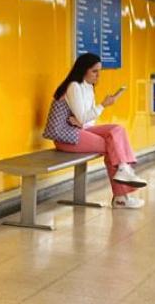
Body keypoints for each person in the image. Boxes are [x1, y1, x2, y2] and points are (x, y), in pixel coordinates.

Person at [44, 53, 149, 208]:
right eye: (94, 71)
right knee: (111, 145)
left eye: (100, 71)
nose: (98, 75)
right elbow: (84, 116)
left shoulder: (88, 87)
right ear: (83, 70)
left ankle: (124, 169)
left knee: (117, 130)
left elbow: (87, 120)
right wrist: (103, 105)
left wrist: (81, 121)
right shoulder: (74, 86)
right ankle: (121, 195)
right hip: (65, 137)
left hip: (80, 130)